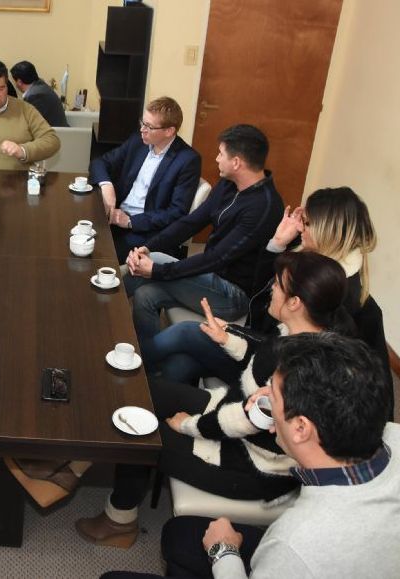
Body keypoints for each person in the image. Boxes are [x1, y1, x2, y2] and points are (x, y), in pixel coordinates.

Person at [75, 252, 355, 549]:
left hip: (249, 466)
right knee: (142, 392)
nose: (271, 288)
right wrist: (227, 340)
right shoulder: (303, 335)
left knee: (139, 435)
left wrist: (189, 426)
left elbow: (242, 422)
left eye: (277, 285)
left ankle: (119, 521)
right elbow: (258, 361)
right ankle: (73, 468)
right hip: (231, 414)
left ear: (295, 303)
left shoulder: (300, 364)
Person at [99, 332, 399, 579]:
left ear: (300, 428)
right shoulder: (392, 434)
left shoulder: (296, 544)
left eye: (272, 398)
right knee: (179, 535)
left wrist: (224, 551)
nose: (256, 398)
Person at [149, 186, 382, 387]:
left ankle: (132, 363)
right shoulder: (313, 262)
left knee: (186, 332)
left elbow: (277, 342)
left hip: (271, 369)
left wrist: (233, 333)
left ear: (327, 230)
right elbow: (261, 298)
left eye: (307, 222)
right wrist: (278, 244)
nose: (300, 228)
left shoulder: (336, 293)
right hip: (261, 345)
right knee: (179, 366)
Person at [125, 125, 283, 365]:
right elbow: (192, 222)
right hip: (210, 279)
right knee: (146, 294)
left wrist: (157, 269)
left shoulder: (264, 206)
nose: (217, 159)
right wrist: (148, 246)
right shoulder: (229, 185)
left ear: (237, 162)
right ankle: (149, 363)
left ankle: (102, 299)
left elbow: (217, 258)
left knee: (156, 262)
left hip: (234, 295)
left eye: (221, 154)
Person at [89, 96, 201, 263]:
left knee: (99, 255)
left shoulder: (187, 160)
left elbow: (176, 212)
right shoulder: (138, 142)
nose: (142, 129)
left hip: (146, 230)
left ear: (169, 131)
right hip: (115, 215)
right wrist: (106, 185)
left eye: (149, 126)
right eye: (143, 122)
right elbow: (100, 162)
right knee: (78, 234)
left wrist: (130, 222)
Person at [9, 60, 68, 127]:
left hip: (56, 134)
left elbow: (29, 125)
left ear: (19, 82)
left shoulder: (34, 96)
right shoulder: (40, 85)